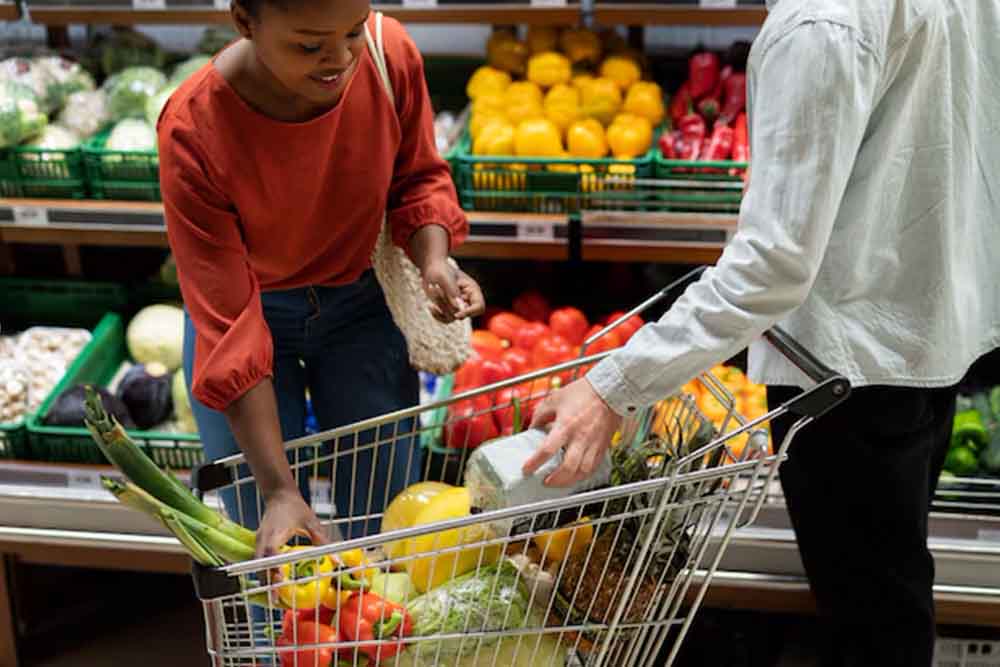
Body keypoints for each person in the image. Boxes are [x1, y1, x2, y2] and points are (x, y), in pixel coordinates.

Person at [525, 0, 1000, 665]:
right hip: (926, 339)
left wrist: (613, 386)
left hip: (842, 370)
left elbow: (773, 265)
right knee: (890, 596)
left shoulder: (817, 24)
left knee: (873, 622)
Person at [158, 0, 484, 559]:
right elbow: (230, 323)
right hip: (247, 315)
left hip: (363, 307)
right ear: (244, 21)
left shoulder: (388, 54)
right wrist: (279, 491)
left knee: (385, 534)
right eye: (309, 45)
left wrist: (432, 259)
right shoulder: (194, 128)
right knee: (268, 549)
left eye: (352, 31)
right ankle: (274, 647)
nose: (340, 58)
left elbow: (419, 178)